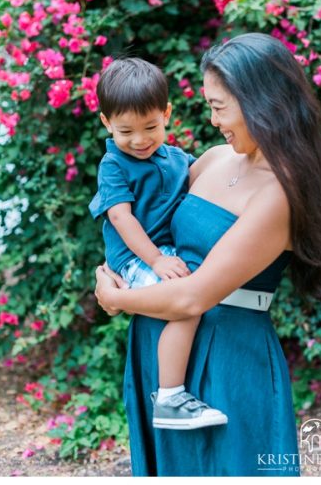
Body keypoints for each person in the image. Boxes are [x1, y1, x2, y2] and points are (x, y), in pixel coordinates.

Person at [95, 32, 321, 476]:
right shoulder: (210, 159)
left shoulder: (278, 194)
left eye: (219, 106)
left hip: (226, 356)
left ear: (259, 102)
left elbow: (192, 299)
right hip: (159, 345)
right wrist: (115, 265)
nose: (212, 120)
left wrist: (115, 298)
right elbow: (146, 219)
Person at [89, 57, 226, 430]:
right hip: (133, 259)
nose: (139, 140)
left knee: (198, 293)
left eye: (150, 126)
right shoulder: (114, 165)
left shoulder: (177, 158)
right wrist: (156, 261)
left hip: (164, 254)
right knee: (187, 304)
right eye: (125, 131)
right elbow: (121, 217)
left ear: (166, 113)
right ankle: (169, 396)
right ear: (106, 123)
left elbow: (206, 184)